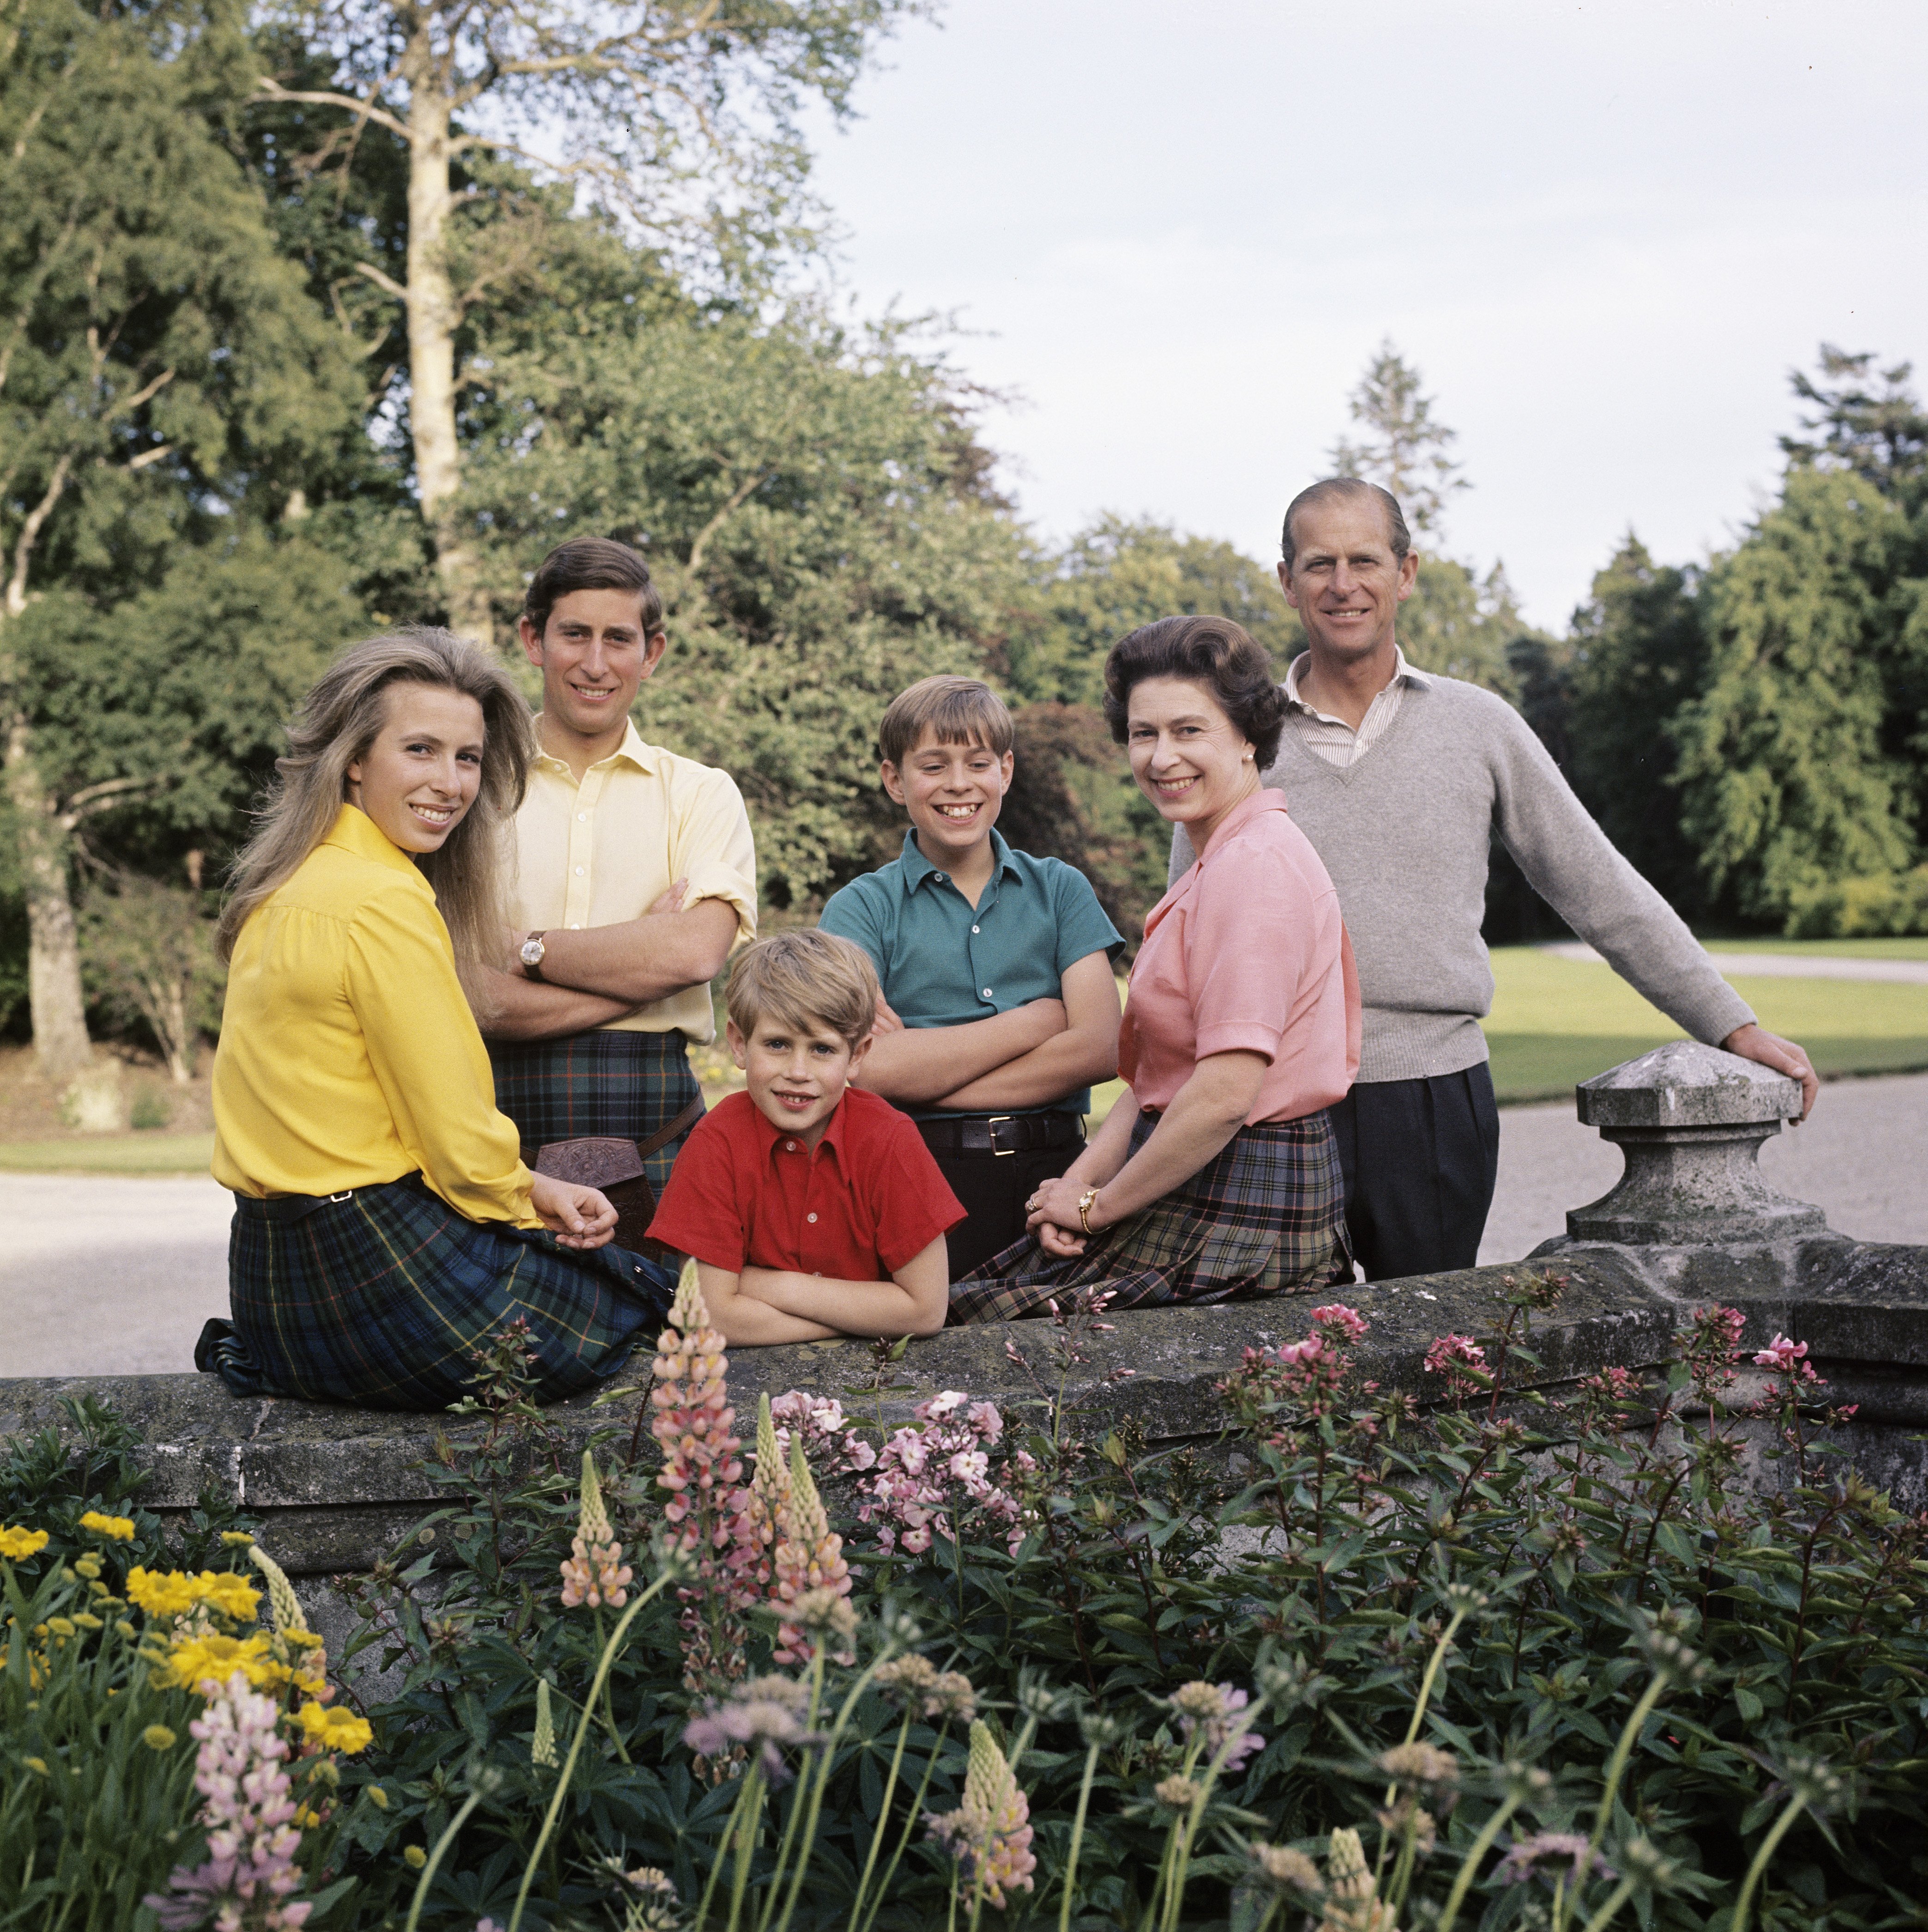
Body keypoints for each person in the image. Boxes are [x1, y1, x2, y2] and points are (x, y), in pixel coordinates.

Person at [1170, 476, 1820, 1281]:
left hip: (1434, 1097)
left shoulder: (1477, 725)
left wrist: (1732, 1025)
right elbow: (1189, 937)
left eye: (1364, 561)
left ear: (1406, 573)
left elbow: (1598, 886)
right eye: (1319, 564)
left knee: (1433, 1354)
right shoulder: (1240, 739)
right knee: (1283, 1369)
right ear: (1286, 580)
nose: (1343, 585)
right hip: (1274, 1103)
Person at [199, 630, 675, 1411]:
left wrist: (527, 1194)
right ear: (354, 758)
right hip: (372, 1271)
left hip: (271, 1282)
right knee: (645, 1303)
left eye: (467, 757)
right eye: (419, 750)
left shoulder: (287, 885)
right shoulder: (383, 900)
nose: (450, 784)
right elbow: (458, 1145)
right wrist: (532, 1193)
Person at [951, 616, 1359, 1324]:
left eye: (1188, 730)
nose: (1162, 757)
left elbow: (1223, 1096)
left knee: (973, 1330)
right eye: (1145, 734)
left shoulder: (1255, 867)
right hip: (1197, 1169)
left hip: (1246, 1190)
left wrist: (1097, 1205)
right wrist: (1076, 1188)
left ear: (1249, 737)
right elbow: (1155, 1089)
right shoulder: (1222, 859)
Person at [479, 538, 757, 1246]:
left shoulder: (701, 793)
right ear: (532, 639)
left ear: (652, 651)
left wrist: (523, 949)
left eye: (618, 639)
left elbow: (695, 955)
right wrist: (638, 971)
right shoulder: (471, 788)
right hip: (492, 1130)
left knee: (673, 1346)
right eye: (574, 634)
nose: (595, 664)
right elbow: (463, 994)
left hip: (658, 1130)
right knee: (504, 1356)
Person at [818, 675, 1124, 1279]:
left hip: (1057, 1173)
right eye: (933, 766)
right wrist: (1037, 1020)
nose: (959, 784)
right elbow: (865, 1066)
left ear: (1005, 771)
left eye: (978, 763)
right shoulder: (859, 910)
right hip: (921, 1173)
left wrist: (924, 1080)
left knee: (1065, 1360)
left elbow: (1101, 1047)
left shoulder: (1060, 889)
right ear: (895, 780)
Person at [646, 931, 964, 1345]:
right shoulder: (716, 1143)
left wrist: (775, 1287)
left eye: (823, 1049)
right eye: (777, 1044)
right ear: (740, 1045)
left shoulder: (889, 1140)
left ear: (859, 1054)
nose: (798, 1070)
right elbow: (710, 1317)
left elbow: (925, 1310)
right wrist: (864, 1320)